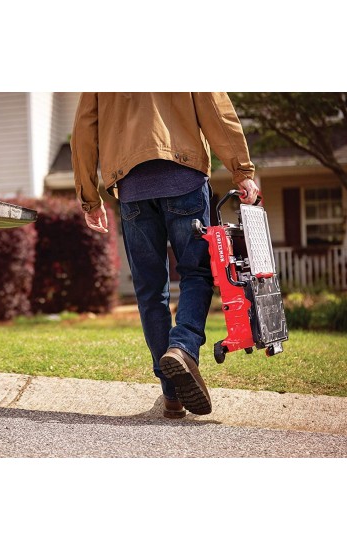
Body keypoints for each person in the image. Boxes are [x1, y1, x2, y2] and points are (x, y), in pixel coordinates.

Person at [70, 92, 259, 418]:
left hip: (131, 187)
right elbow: (215, 108)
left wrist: (90, 198)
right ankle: (183, 346)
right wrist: (241, 170)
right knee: (197, 273)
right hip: (183, 175)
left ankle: (172, 394)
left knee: (149, 289)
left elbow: (84, 130)